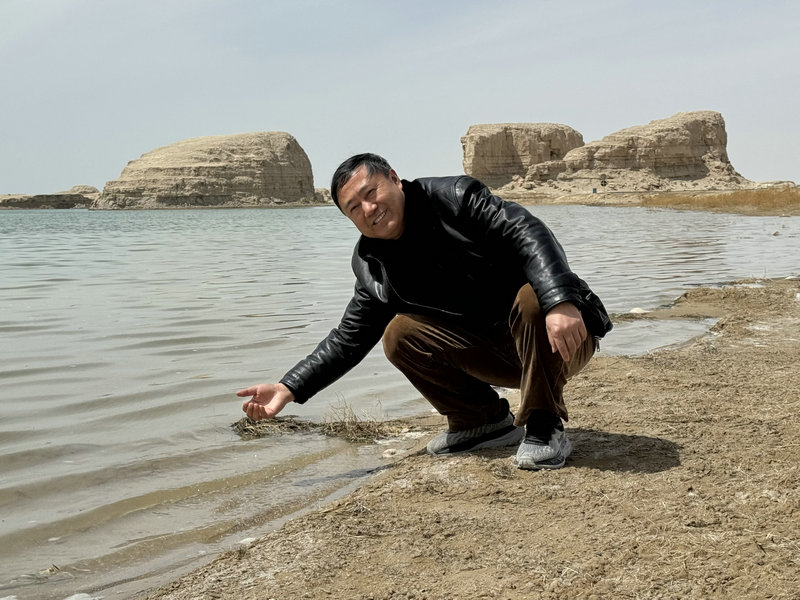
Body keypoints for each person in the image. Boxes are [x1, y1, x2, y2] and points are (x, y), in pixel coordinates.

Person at [237, 153, 612, 470]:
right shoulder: (372, 266)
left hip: (560, 339)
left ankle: (544, 425)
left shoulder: (456, 197)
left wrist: (559, 300)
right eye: (354, 208)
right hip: (498, 355)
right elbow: (348, 339)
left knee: (533, 297)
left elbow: (527, 231)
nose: (368, 209)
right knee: (399, 335)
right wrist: (289, 387)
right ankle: (482, 422)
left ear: (394, 179)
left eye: (371, 193)